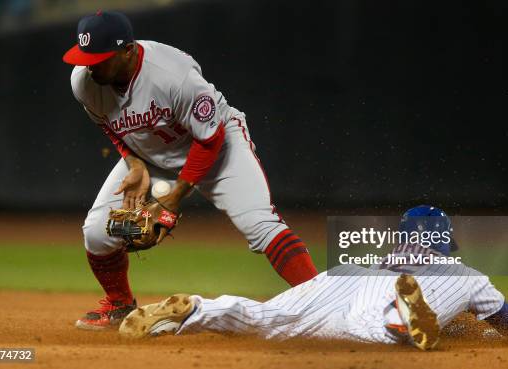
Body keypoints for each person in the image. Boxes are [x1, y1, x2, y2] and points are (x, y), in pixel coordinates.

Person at [62, 11, 318, 331]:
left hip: (219, 144)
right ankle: (119, 304)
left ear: (127, 50)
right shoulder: (84, 82)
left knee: (259, 222)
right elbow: (111, 126)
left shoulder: (173, 75)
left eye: (99, 59)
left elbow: (209, 140)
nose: (90, 65)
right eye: (86, 57)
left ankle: (325, 301)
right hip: (152, 154)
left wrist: (171, 199)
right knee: (98, 233)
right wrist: (135, 162)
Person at [118, 206, 508, 350]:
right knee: (384, 325)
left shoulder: (372, 255)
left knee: (268, 317)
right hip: (401, 293)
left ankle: (197, 310)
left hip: (347, 278)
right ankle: (398, 317)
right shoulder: (464, 274)